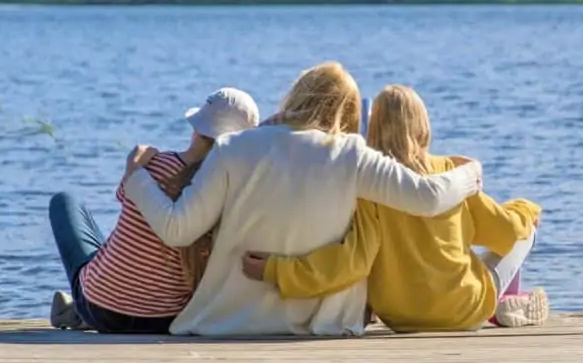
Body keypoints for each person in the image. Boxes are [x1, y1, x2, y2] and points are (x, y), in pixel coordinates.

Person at [122, 61, 484, 337]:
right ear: (348, 113)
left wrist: (137, 178)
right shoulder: (351, 155)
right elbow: (429, 198)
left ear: (295, 96)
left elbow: (176, 229)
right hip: (322, 327)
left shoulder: (234, 147)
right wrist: (470, 174)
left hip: (227, 322)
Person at [242, 85, 547, 331]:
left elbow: (352, 261)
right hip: (463, 309)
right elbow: (505, 234)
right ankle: (503, 302)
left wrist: (278, 269)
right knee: (523, 231)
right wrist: (527, 209)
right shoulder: (450, 172)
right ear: (423, 125)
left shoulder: (370, 186)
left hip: (398, 314)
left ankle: (503, 303)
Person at [48, 87, 260, 334]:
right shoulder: (231, 191)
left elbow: (123, 196)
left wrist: (139, 165)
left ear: (196, 129)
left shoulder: (154, 166)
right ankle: (77, 309)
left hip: (100, 307)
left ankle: (81, 307)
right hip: (165, 319)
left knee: (65, 202)